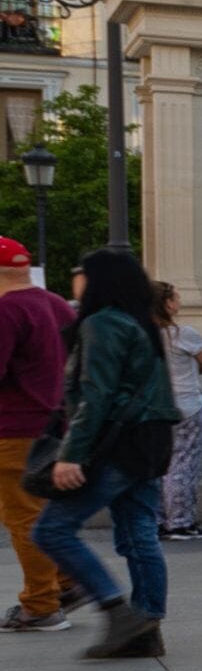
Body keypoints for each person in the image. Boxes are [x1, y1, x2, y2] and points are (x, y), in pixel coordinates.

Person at [36, 250, 180, 659]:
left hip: (117, 443)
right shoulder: (140, 322)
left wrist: (71, 454)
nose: (75, 280)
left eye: (81, 273)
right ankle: (146, 625)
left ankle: (119, 611)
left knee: (51, 530)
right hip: (150, 440)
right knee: (139, 535)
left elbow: (96, 397)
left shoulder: (102, 323)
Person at [0, 236, 73, 634]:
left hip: (13, 427)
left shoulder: (6, 308)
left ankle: (41, 605)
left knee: (22, 516)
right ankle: (66, 581)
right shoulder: (55, 303)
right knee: (43, 512)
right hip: (53, 423)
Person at [148, 281, 202, 540]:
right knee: (183, 464)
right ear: (167, 304)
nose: (179, 301)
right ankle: (180, 521)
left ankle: (155, 518)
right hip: (186, 404)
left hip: (153, 407)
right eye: (176, 297)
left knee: (155, 466)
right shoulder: (182, 334)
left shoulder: (141, 335)